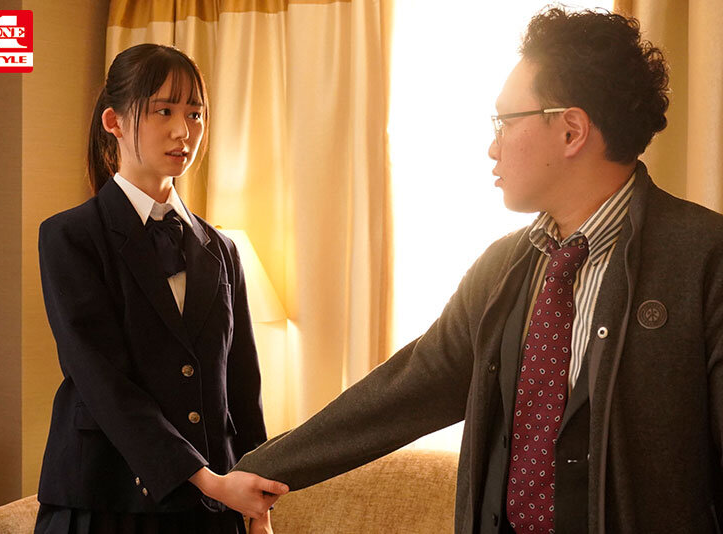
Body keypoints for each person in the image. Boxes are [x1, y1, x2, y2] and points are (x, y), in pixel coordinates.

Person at [234, 8, 723, 534]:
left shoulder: (704, 259)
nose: (493, 146)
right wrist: (260, 470)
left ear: (571, 131)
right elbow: (404, 390)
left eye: (505, 122)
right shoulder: (501, 269)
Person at [34, 43, 288, 534]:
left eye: (195, 113)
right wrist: (208, 481)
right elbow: (102, 382)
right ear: (113, 122)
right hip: (107, 501)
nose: (183, 131)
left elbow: (241, 388)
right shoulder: (70, 237)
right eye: (163, 111)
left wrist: (259, 507)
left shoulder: (222, 249)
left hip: (211, 512)